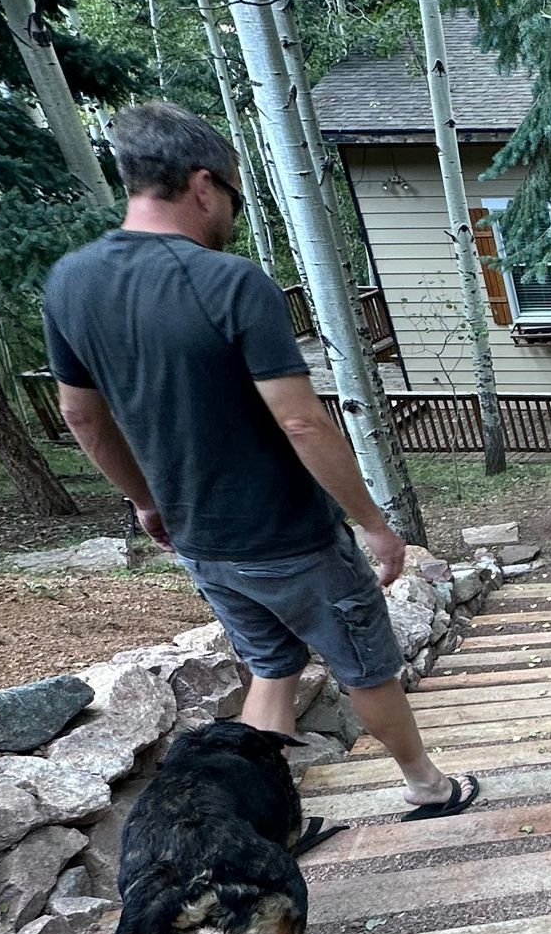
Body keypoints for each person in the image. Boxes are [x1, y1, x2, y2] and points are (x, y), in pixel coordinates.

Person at [42, 101, 477, 819]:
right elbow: (303, 421)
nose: (233, 216)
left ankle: (262, 820)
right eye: (236, 198)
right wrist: (372, 522)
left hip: (201, 540)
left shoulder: (70, 284)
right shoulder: (229, 282)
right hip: (288, 533)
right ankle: (427, 785)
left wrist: (146, 500)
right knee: (364, 663)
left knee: (272, 665)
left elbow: (81, 416)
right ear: (203, 184)